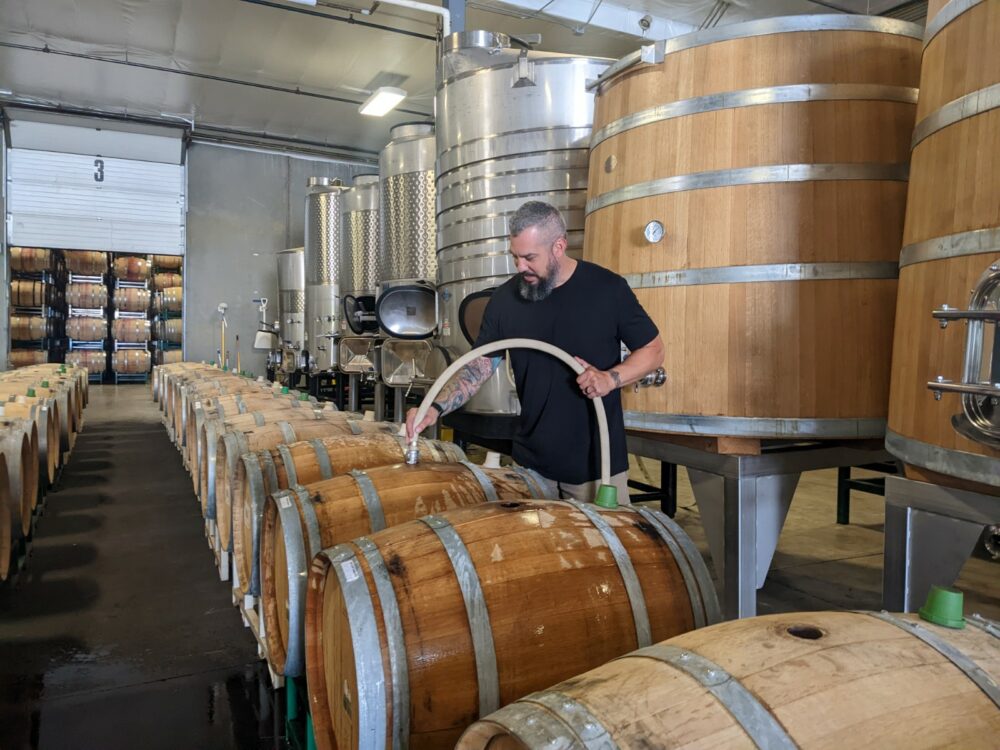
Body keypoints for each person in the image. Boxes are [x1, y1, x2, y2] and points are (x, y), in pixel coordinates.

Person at [406, 200, 664, 503]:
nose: (520, 267)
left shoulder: (607, 290)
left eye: (529, 257)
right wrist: (435, 407)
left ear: (559, 246)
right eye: (514, 257)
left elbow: (653, 350)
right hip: (532, 465)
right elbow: (480, 366)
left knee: (600, 550)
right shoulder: (505, 300)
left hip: (596, 466)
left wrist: (611, 378)